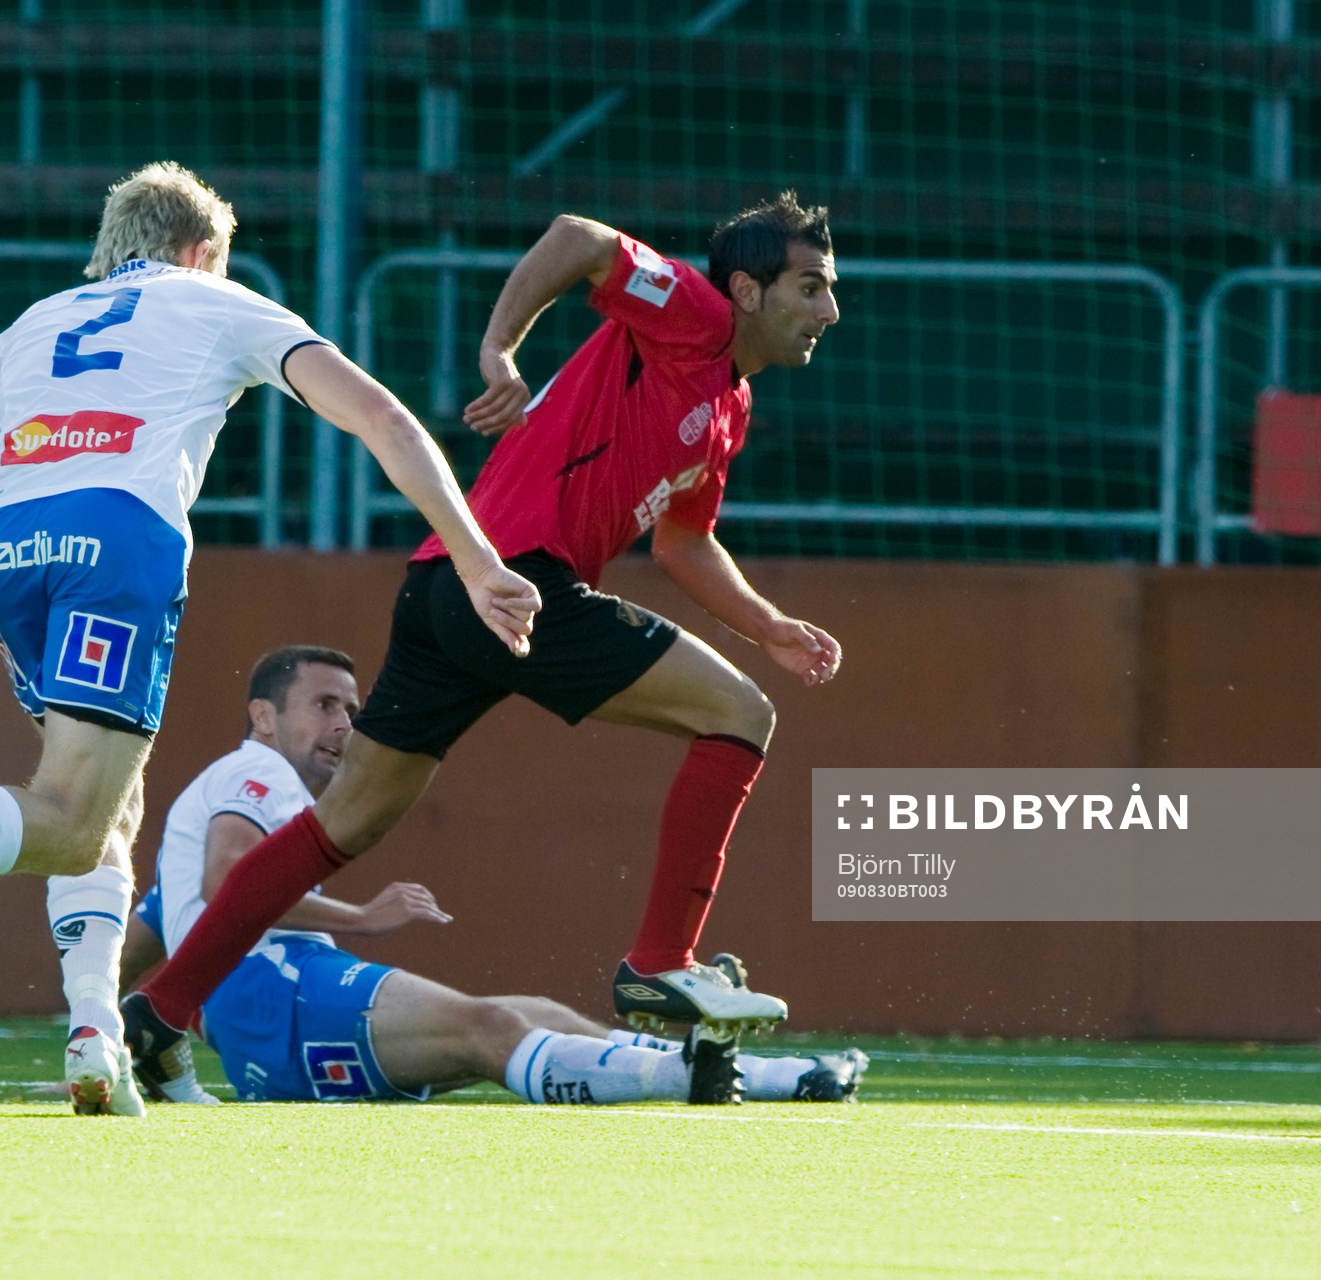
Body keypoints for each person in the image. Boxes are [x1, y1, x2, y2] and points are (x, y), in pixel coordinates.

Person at [0, 162, 540, 1117]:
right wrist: (474, 555)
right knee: (78, 813)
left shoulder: (35, 321)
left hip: (8, 547)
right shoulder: (219, 301)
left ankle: (97, 1037)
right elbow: (378, 413)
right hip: (119, 540)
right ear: (201, 250)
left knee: (102, 812)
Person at [125, 192, 844, 1080]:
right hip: (516, 584)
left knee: (340, 822)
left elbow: (684, 542)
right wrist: (498, 348)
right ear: (744, 289)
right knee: (739, 716)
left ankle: (160, 1009)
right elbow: (578, 235)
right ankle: (660, 963)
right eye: (809, 287)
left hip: (443, 589)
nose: (828, 310)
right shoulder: (690, 313)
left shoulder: (726, 409)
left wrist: (767, 624)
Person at [123, 644, 867, 1107]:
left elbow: (153, 931)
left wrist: (99, 1031)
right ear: (261, 718)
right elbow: (228, 883)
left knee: (533, 1012)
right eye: (323, 706)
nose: (345, 723)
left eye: (352, 707)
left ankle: (771, 1075)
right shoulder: (258, 774)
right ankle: (707, 1078)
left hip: (270, 1003)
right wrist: (363, 917)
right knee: (489, 1030)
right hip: (273, 996)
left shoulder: (231, 786)